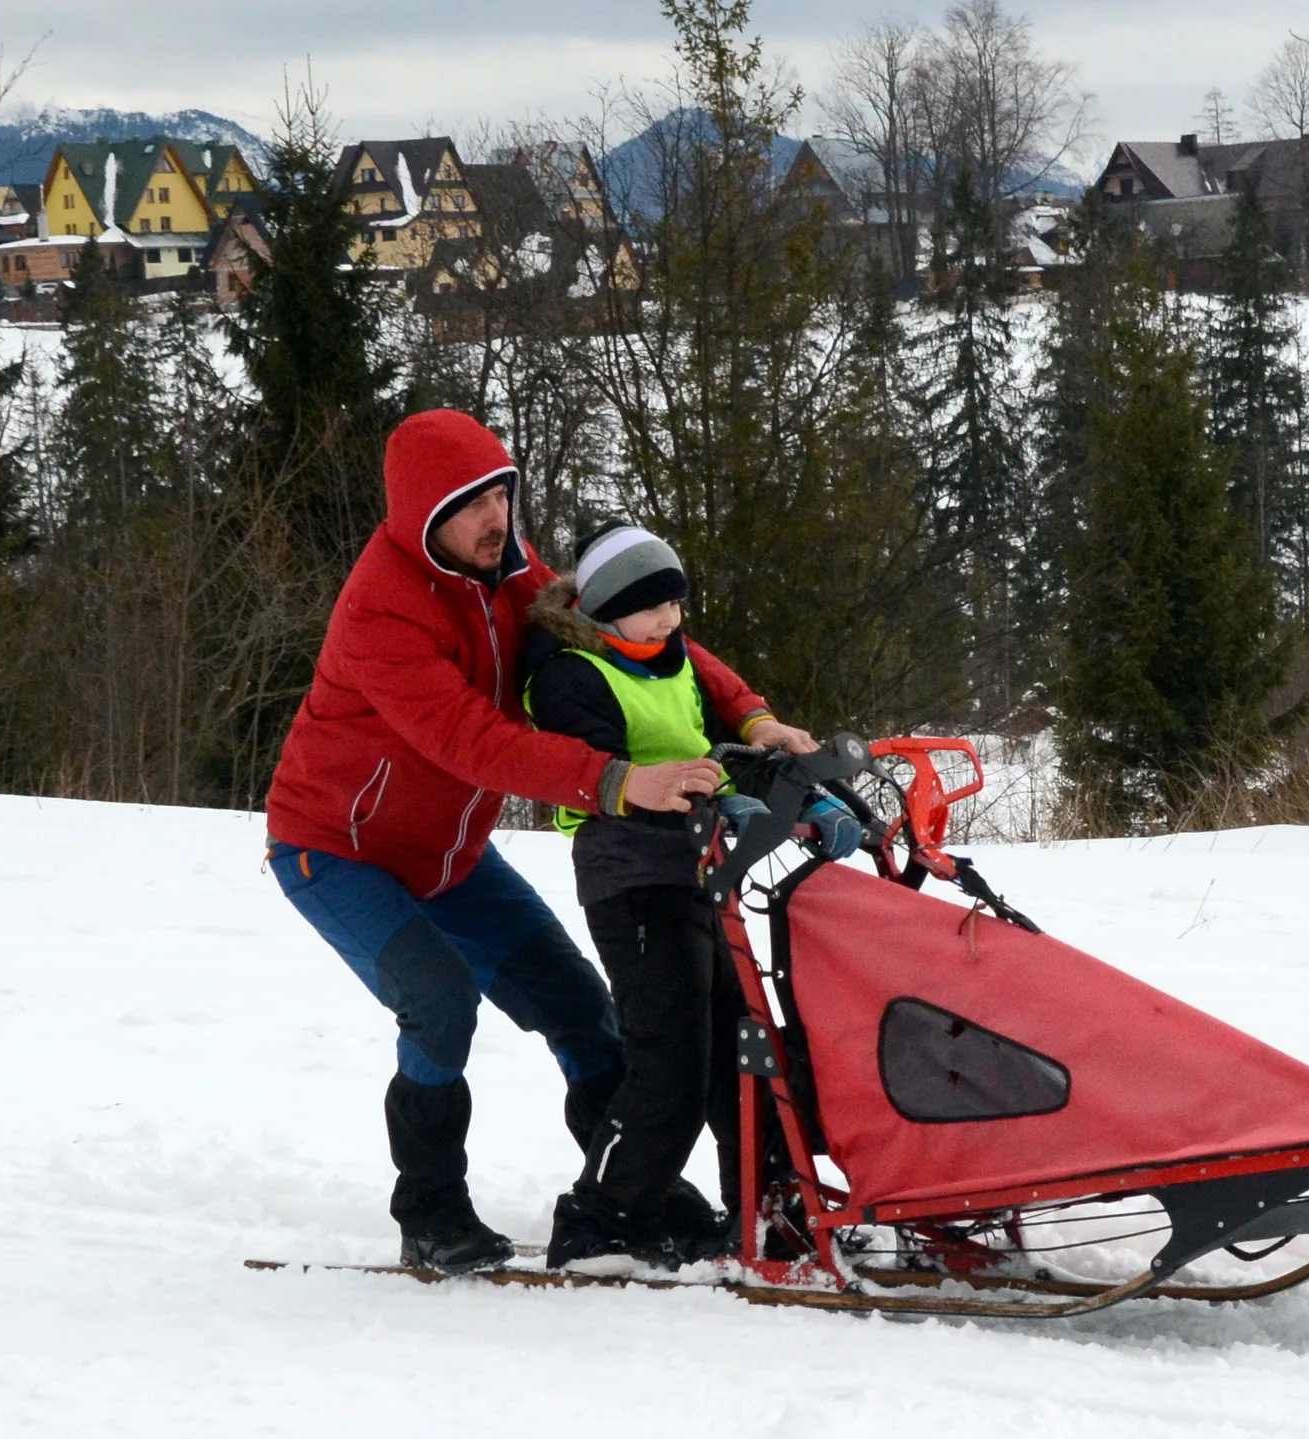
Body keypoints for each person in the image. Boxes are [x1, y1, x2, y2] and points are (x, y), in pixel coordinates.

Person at [263, 410, 818, 1274]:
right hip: (337, 850)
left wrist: (752, 711)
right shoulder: (383, 612)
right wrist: (615, 780)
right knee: (441, 1002)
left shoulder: (511, 571)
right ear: (420, 515)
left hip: (452, 857)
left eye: (501, 493)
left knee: (582, 1008)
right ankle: (432, 1206)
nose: (496, 516)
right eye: (470, 503)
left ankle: (634, 1193)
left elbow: (638, 630)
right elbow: (467, 737)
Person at [521, 520, 862, 1268]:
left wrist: (806, 802)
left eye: (676, 603)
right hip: (633, 881)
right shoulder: (570, 675)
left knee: (745, 1053)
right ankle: (599, 1217)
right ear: (605, 608)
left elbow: (720, 752)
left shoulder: (672, 662)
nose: (670, 619)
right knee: (669, 1061)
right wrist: (699, 800)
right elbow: (601, 772)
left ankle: (772, 1205)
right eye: (651, 607)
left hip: (704, 877)